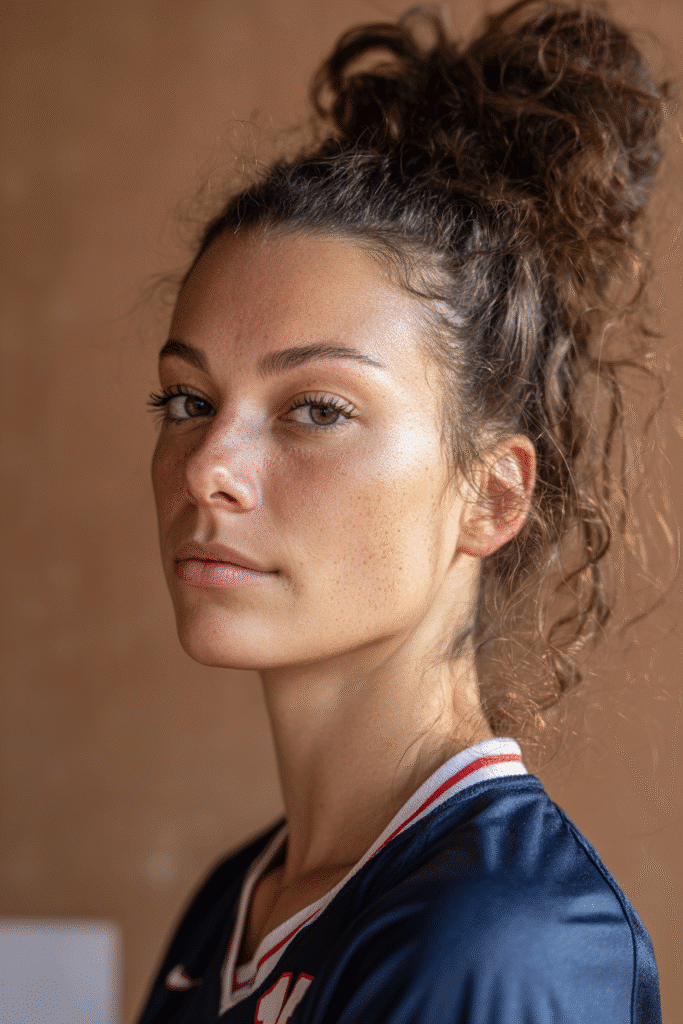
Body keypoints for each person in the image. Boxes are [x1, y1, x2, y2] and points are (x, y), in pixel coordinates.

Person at [136, 1, 668, 1020]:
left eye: (317, 409)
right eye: (188, 401)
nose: (207, 465)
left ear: (491, 493)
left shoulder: (506, 936)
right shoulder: (232, 903)